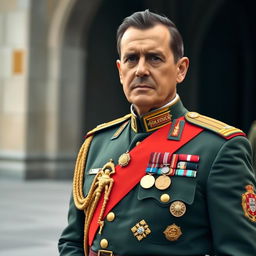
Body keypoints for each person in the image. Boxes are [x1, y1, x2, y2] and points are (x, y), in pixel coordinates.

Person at [58, 10, 256, 256]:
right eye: (131, 59)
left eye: (154, 58)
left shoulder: (219, 148)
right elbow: (72, 242)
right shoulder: (96, 143)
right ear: (120, 71)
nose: (140, 70)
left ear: (181, 69)